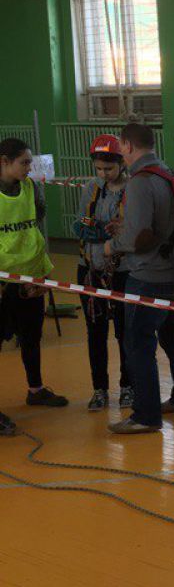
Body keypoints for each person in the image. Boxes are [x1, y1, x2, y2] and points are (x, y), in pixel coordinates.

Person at [103, 122, 174, 434]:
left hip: (148, 275)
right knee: (173, 334)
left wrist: (113, 244)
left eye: (121, 146)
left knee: (138, 341)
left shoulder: (140, 182)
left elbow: (140, 237)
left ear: (128, 146)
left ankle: (145, 415)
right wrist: (127, 228)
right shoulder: (167, 173)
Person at [0, 137, 68, 436]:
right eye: (24, 162)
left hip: (29, 278)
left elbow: (35, 232)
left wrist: (43, 276)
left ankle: (36, 389)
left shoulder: (30, 189)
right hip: (3, 282)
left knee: (31, 337)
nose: (30, 167)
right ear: (4, 162)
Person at [72, 134, 133, 412]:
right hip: (90, 269)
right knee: (95, 331)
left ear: (121, 163)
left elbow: (132, 229)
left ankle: (128, 386)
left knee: (124, 331)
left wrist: (115, 230)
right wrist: (94, 226)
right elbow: (82, 220)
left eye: (108, 168)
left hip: (122, 271)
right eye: (98, 168)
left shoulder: (132, 190)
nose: (103, 174)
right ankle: (99, 389)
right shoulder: (92, 188)